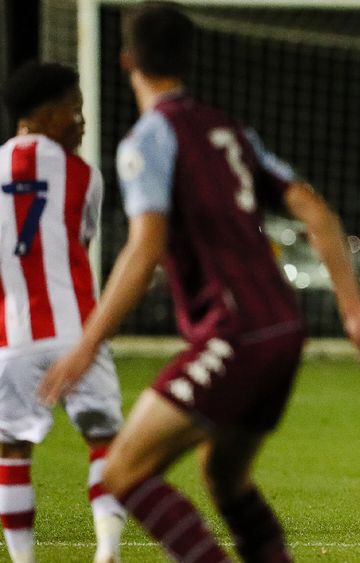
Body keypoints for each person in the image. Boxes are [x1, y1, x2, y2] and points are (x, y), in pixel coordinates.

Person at [38, 3, 360, 561]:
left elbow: (144, 248)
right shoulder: (229, 130)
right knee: (225, 480)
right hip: (283, 332)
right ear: (189, 59)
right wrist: (354, 310)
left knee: (122, 473)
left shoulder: (148, 142)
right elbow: (314, 209)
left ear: (127, 61)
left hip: (233, 335)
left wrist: (86, 344)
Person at [0, 62, 126, 563]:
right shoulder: (84, 176)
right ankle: (108, 549)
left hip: (13, 336)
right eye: (75, 113)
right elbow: (79, 243)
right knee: (106, 439)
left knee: (11, 452)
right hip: (78, 332)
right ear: (48, 117)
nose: (82, 123)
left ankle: (24, 561)